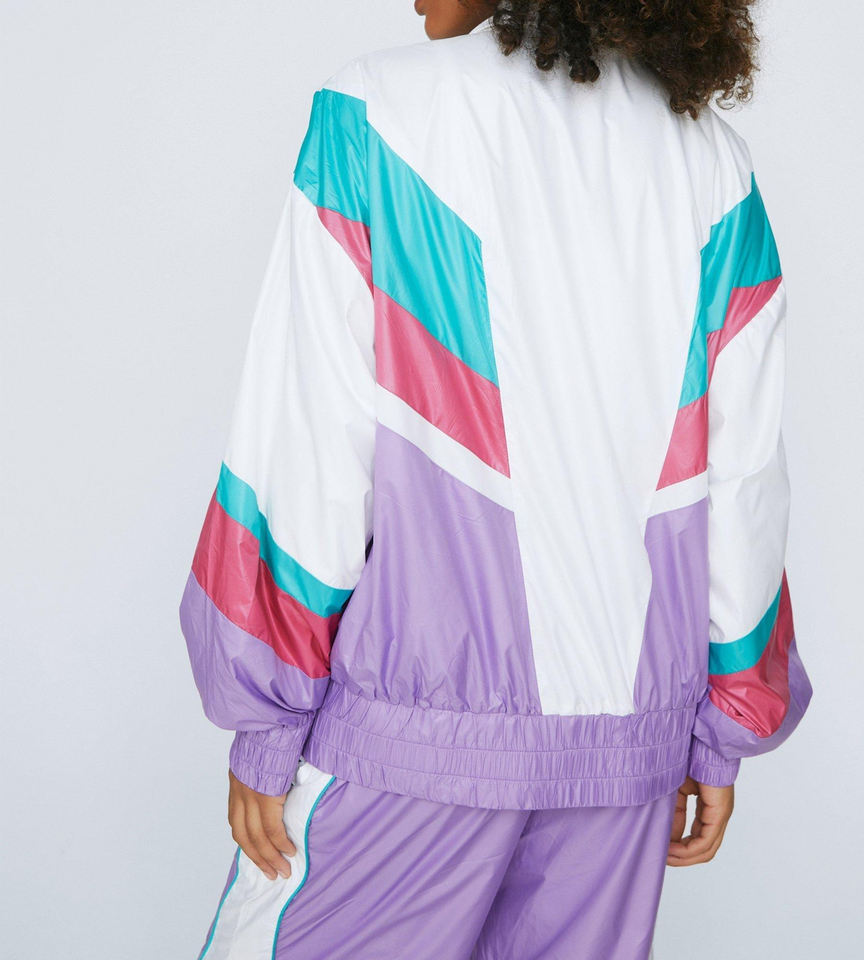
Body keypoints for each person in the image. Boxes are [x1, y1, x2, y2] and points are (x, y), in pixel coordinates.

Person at [179, 1, 813, 957]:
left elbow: (307, 440)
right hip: (624, 766)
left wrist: (265, 717)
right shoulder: (715, 164)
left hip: (408, 752)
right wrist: (723, 725)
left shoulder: (376, 112)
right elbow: (747, 480)